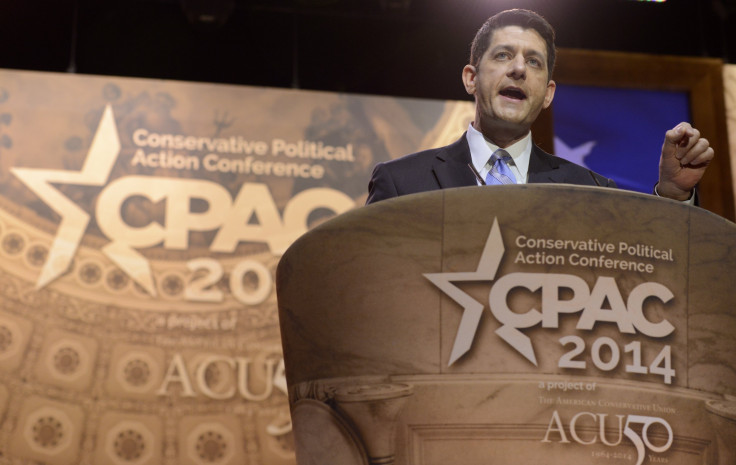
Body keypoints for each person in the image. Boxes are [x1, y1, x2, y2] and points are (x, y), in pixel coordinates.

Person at [366, 9, 713, 204]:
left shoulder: (592, 193)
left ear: (547, 94)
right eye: (503, 55)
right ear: (471, 78)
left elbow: (640, 277)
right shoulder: (401, 183)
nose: (518, 68)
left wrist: (673, 195)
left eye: (533, 62)